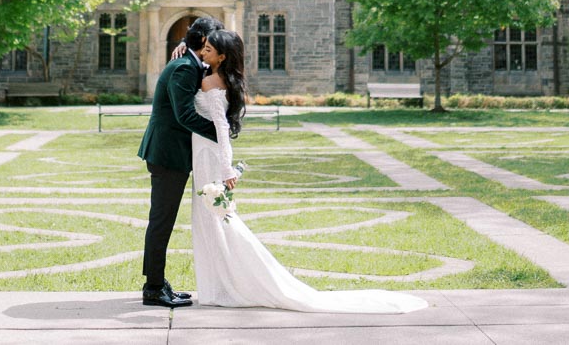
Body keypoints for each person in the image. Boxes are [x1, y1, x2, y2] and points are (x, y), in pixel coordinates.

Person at [189, 28, 426, 313]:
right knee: (212, 219)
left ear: (222, 56)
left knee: (214, 218)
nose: (203, 54)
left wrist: (227, 168)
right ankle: (218, 284)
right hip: (205, 153)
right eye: (203, 49)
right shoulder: (221, 77)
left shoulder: (211, 82)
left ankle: (228, 284)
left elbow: (222, 127)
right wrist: (185, 46)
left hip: (208, 155)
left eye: (209, 50)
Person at [138, 16, 223, 307]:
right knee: (161, 221)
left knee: (162, 220)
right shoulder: (184, 68)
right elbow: (184, 115)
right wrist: (220, 134)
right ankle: (153, 287)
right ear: (202, 42)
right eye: (213, 40)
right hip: (167, 154)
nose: (216, 45)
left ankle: (157, 281)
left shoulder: (189, 64)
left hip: (171, 153)